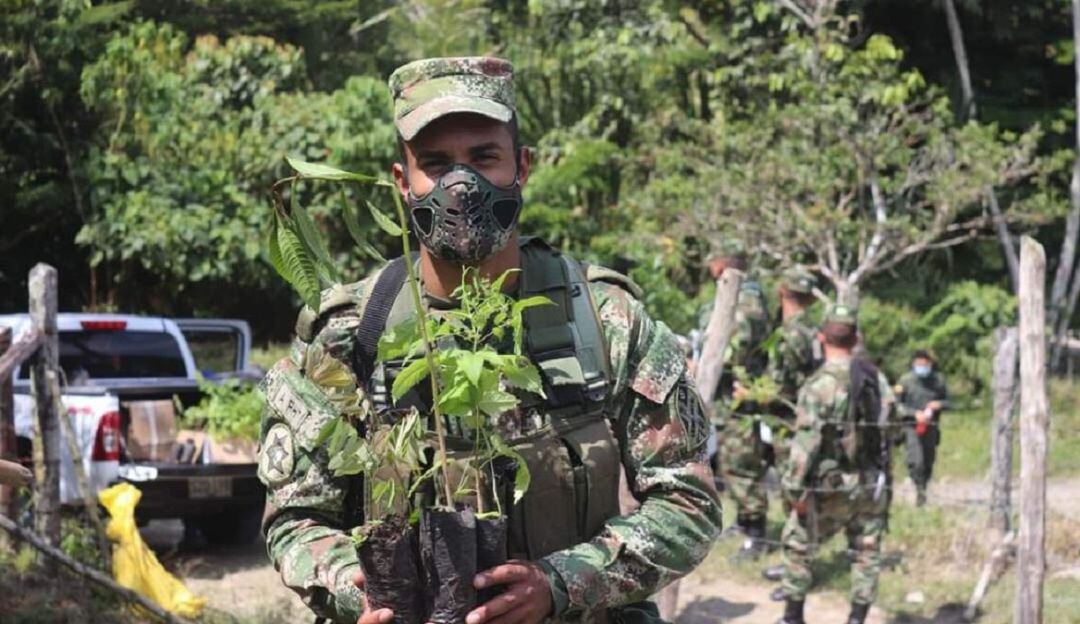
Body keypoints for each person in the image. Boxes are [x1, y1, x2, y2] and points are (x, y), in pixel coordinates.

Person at [257, 57, 721, 624]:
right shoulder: (350, 336)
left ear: (521, 166)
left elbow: (688, 504)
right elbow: (295, 520)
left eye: (483, 158)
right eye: (435, 164)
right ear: (403, 182)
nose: (461, 185)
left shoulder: (604, 322)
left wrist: (562, 583)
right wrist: (361, 591)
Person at [774, 305, 892, 624]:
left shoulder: (819, 385)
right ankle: (857, 618)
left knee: (798, 544)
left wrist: (794, 491)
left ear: (820, 337)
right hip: (869, 482)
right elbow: (890, 423)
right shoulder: (874, 378)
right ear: (856, 339)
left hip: (830, 485)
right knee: (866, 552)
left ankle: (792, 617)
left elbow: (806, 444)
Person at [704, 244, 772, 558]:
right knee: (731, 464)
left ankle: (757, 534)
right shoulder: (742, 295)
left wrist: (709, 362)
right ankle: (745, 521)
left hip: (740, 400)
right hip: (727, 400)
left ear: (722, 264)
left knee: (743, 465)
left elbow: (739, 346)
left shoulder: (746, 300)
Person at [759, 266, 820, 582]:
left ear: (782, 292)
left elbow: (782, 388)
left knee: (794, 494)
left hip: (789, 422)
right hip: (805, 420)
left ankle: (798, 565)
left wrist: (755, 394)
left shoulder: (789, 334)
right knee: (798, 493)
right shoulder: (810, 329)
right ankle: (798, 561)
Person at [896, 349, 949, 507]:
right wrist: (913, 414)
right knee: (916, 460)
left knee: (928, 460)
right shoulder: (905, 380)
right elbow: (896, 405)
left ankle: (923, 489)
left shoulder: (938, 380)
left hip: (931, 426)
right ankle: (917, 487)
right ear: (914, 364)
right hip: (912, 427)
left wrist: (939, 404)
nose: (923, 368)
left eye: (926, 365)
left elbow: (948, 401)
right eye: (919, 364)